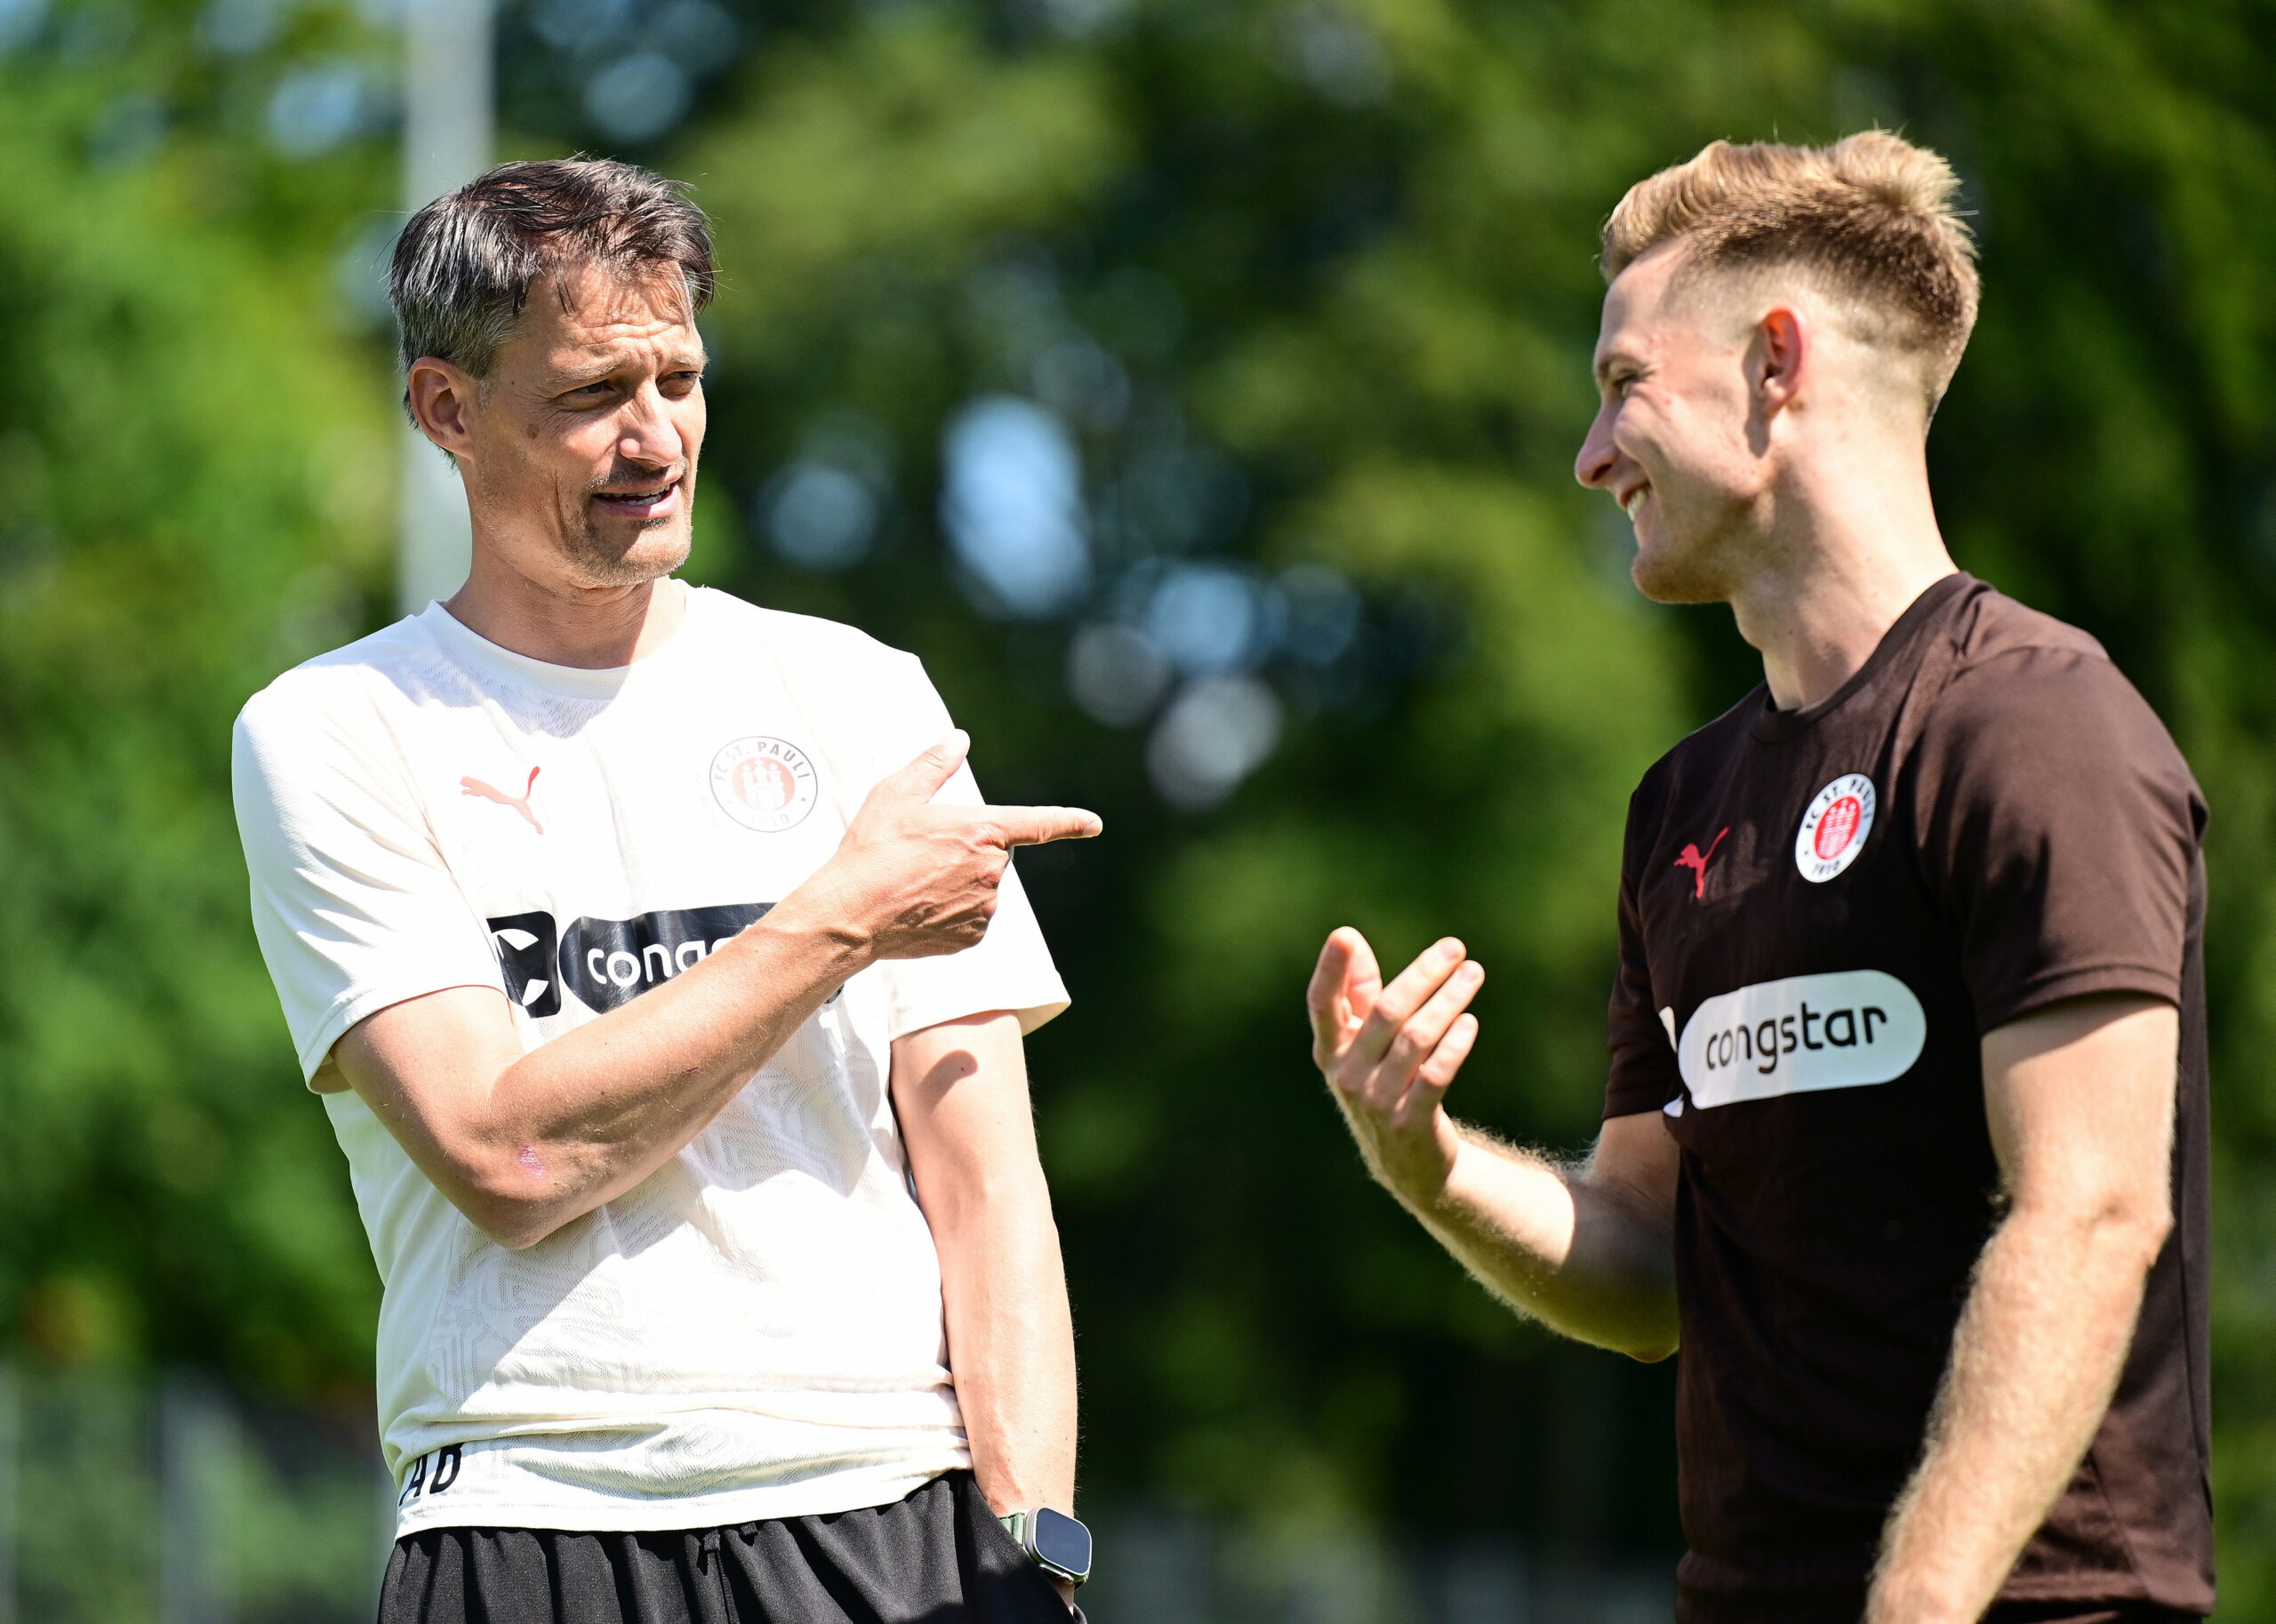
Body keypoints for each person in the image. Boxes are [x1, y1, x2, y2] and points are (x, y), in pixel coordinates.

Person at [1305, 132, 2211, 1624]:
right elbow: (1651, 1265)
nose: (1591, 456)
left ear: (1776, 366)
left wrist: (1915, 1605)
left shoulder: (2037, 721)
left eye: (1621, 385)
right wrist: (1433, 1166)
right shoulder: (1683, 806)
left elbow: (2094, 1214)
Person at [232, 158, 1101, 1624]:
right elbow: (508, 1163)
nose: (655, 439)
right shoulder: (333, 730)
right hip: (522, 1514)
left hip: (881, 1514)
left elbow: (990, 1190)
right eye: (590, 395)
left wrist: (1040, 1554)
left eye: (681, 380)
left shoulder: (862, 696)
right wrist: (836, 919)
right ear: (446, 410)